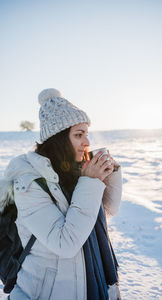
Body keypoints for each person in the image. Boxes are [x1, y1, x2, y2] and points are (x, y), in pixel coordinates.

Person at [3, 88, 122, 300]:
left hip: (93, 283)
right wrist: (91, 181)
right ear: (58, 139)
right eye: (78, 135)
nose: (87, 142)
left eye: (87, 134)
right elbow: (64, 243)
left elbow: (110, 209)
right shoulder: (28, 181)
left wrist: (109, 172)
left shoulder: (75, 170)